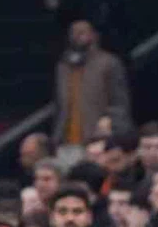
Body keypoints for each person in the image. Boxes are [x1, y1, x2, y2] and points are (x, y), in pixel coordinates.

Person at [54, 19, 131, 148]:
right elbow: (59, 105)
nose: (77, 36)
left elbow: (120, 101)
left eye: (82, 32)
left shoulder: (109, 63)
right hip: (66, 140)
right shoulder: (63, 67)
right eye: (73, 32)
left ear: (94, 35)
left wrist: (112, 124)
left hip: (98, 137)